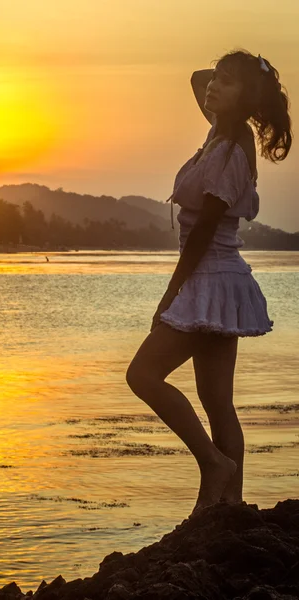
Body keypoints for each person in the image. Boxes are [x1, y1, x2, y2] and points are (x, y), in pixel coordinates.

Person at [126, 49, 292, 518]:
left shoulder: (233, 146)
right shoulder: (219, 132)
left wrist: (171, 292)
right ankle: (231, 505)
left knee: (141, 375)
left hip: (210, 274)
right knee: (218, 400)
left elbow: (201, 233)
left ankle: (213, 466)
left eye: (226, 81)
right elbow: (198, 76)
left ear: (246, 98)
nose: (213, 85)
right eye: (216, 79)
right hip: (221, 276)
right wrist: (234, 77)